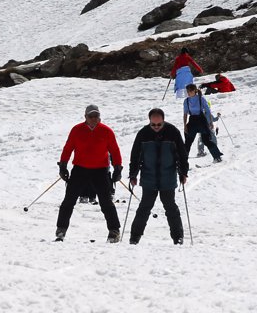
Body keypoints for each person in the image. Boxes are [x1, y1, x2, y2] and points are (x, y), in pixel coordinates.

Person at [55, 105, 123, 243]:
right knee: (69, 200)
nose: (93, 119)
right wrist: (63, 166)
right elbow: (68, 148)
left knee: (106, 202)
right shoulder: (77, 130)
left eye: (96, 116)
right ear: (85, 117)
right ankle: (61, 229)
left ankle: (114, 231)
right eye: (90, 116)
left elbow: (115, 151)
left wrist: (117, 168)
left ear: (100, 117)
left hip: (100, 170)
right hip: (80, 169)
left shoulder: (106, 131)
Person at [128, 108, 189, 245]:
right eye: (153, 125)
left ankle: (178, 237)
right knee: (144, 207)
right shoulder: (143, 134)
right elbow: (135, 156)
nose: (156, 127)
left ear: (163, 121)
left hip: (168, 177)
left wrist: (183, 172)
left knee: (171, 207)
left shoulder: (172, 132)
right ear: (149, 122)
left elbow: (181, 154)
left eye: (159, 124)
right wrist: (133, 174)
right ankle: (134, 237)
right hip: (149, 177)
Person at [183, 84, 223, 162]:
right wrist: (185, 125)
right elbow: (185, 114)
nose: (188, 93)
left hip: (201, 120)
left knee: (206, 140)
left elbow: (208, 111)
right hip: (192, 121)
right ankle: (182, 161)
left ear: (195, 90)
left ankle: (217, 157)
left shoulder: (201, 99)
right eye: (187, 91)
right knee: (188, 142)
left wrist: (211, 122)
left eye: (190, 91)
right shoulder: (186, 101)